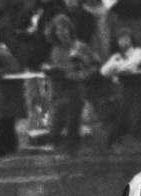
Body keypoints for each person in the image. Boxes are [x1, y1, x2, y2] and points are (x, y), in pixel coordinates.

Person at [43, 13, 98, 151]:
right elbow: (55, 68)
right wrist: (50, 70)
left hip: (76, 89)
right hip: (59, 90)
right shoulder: (55, 50)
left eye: (64, 28)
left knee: (72, 123)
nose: (61, 32)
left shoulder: (79, 46)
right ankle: (57, 153)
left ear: (70, 29)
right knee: (56, 125)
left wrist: (82, 75)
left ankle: (73, 153)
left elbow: (96, 64)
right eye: (58, 29)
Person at [101, 29, 141, 149]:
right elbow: (104, 72)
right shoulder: (116, 56)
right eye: (120, 38)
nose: (124, 41)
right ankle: (115, 147)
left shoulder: (138, 52)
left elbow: (130, 67)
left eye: (126, 37)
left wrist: (117, 67)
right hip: (127, 94)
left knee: (139, 121)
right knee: (121, 122)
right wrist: (118, 66)